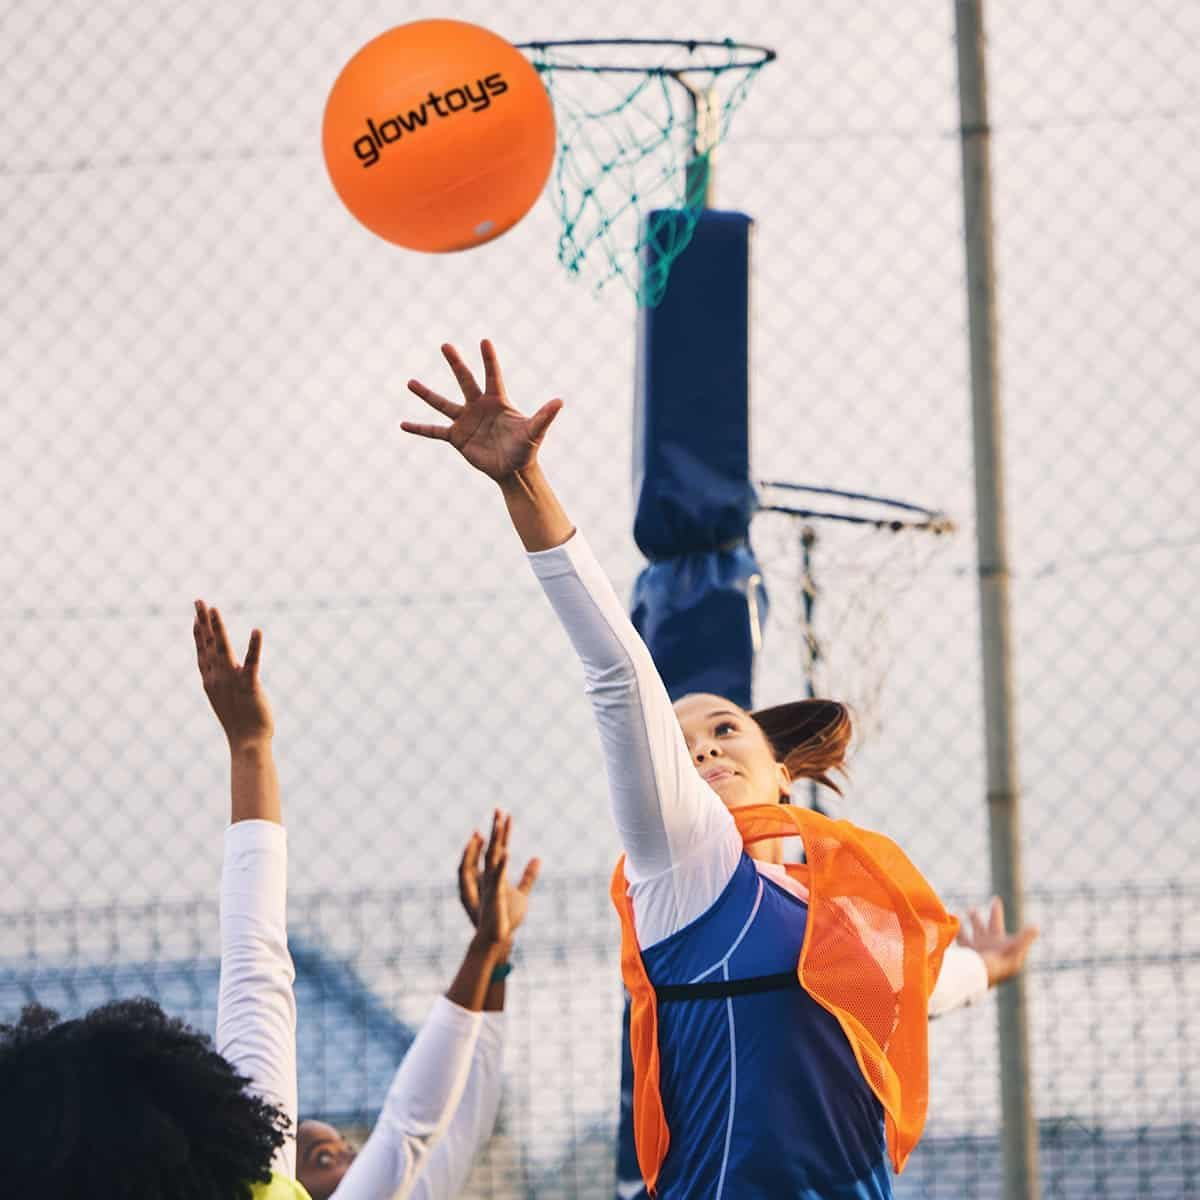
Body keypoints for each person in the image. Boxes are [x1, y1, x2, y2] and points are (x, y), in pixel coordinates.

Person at [402, 340, 1038, 1200]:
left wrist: (987, 967)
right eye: (678, 740)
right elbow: (616, 673)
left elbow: (925, 987)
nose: (700, 747)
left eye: (725, 728)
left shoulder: (841, 911)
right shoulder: (686, 865)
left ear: (782, 775)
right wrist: (527, 486)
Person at [0, 600, 537, 1200]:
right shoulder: (257, 1181)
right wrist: (250, 747)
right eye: (324, 1158)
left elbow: (439, 1127)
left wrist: (493, 954)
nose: (353, 1161)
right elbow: (408, 1125)